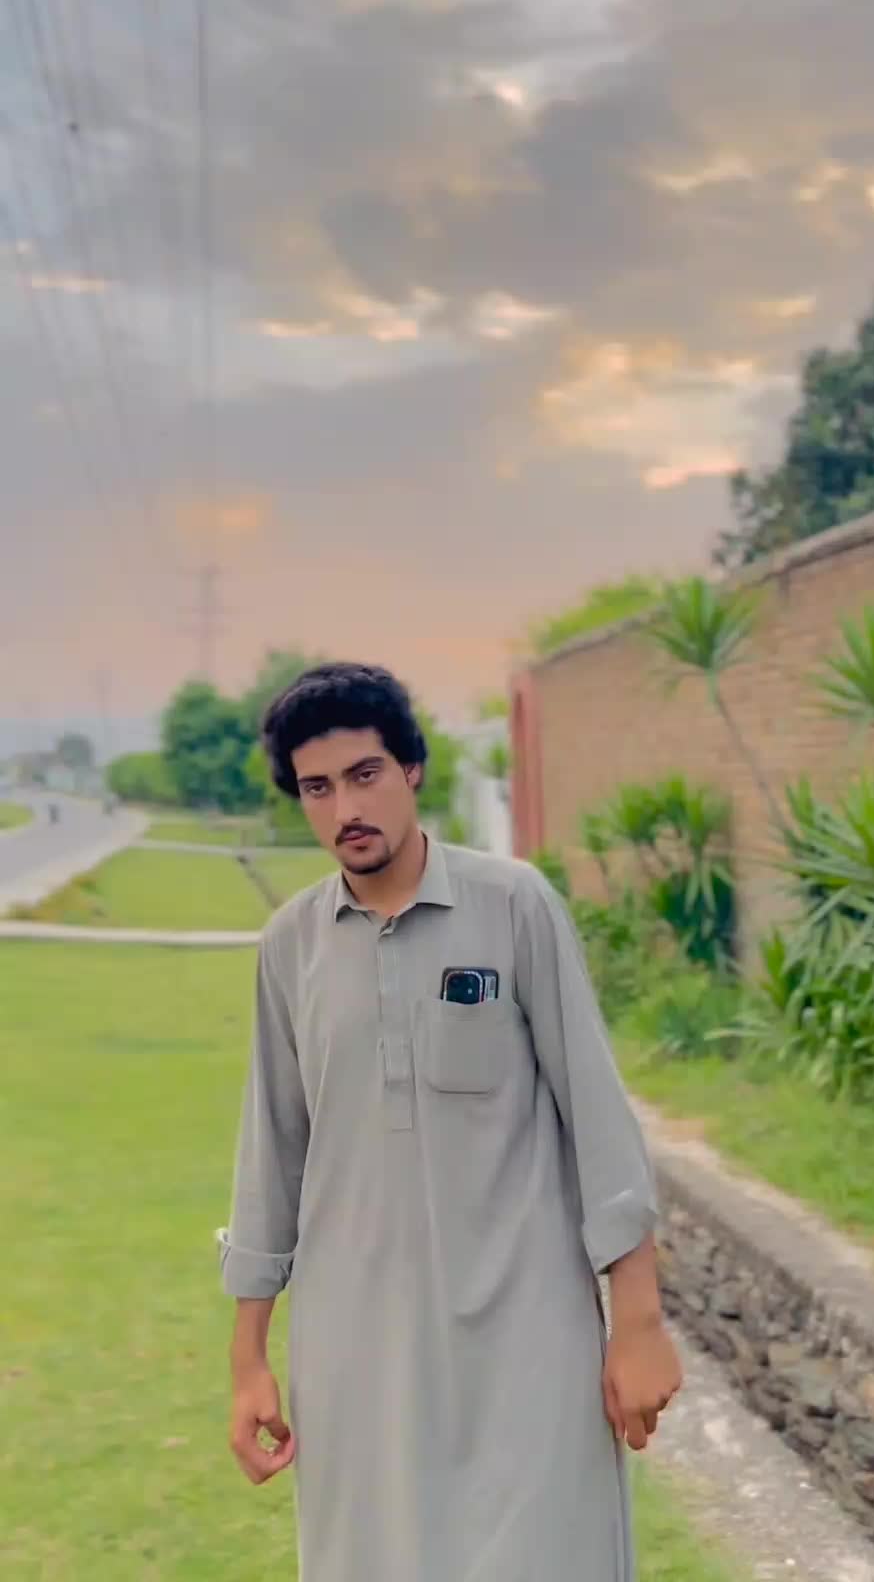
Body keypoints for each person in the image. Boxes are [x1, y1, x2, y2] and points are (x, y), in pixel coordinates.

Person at [217, 661, 681, 1582]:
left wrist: (638, 1322)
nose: (347, 807)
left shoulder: (514, 905)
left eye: (365, 774)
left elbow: (597, 1120)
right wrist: (248, 1360)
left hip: (528, 1337)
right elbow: (272, 1154)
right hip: (356, 1351)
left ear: (412, 768)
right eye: (318, 788)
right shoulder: (290, 947)